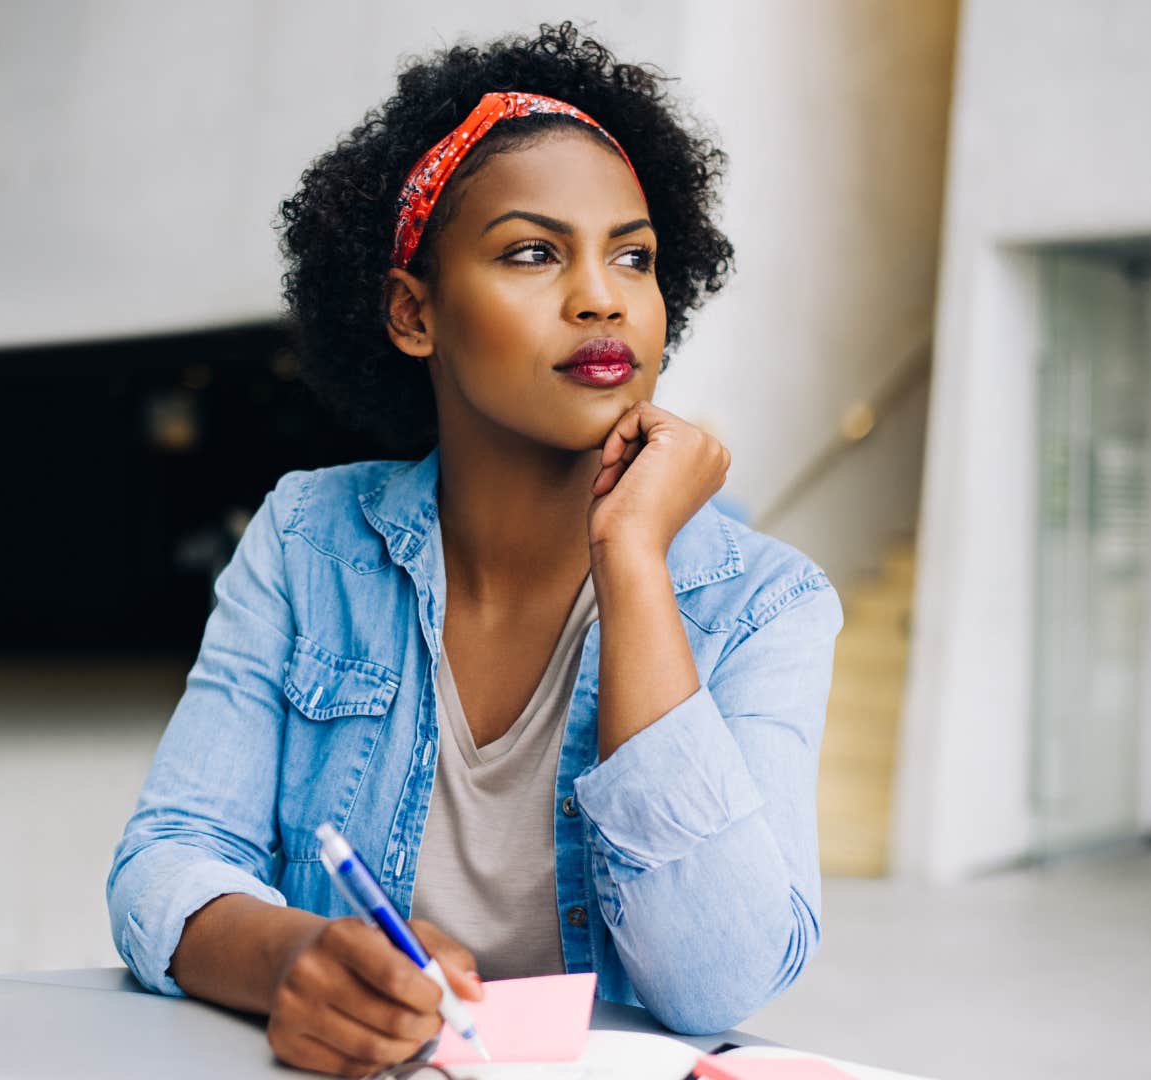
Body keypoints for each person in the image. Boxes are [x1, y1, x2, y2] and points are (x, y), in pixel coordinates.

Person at [107, 22, 843, 1077]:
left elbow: (717, 982)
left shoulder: (769, 603)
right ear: (414, 313)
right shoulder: (310, 542)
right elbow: (167, 859)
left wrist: (633, 562)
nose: (601, 296)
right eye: (534, 252)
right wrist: (294, 959)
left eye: (632, 255)